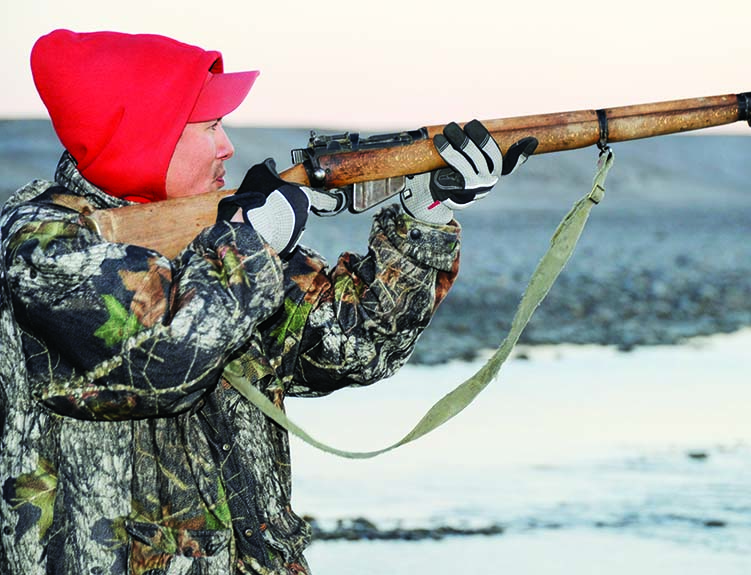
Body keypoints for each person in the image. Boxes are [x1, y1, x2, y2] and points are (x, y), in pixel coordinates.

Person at [0, 29, 535, 574]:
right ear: (144, 136)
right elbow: (164, 363)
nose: (228, 146)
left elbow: (352, 348)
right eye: (209, 126)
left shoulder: (221, 234)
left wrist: (426, 213)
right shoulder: (44, 244)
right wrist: (251, 241)